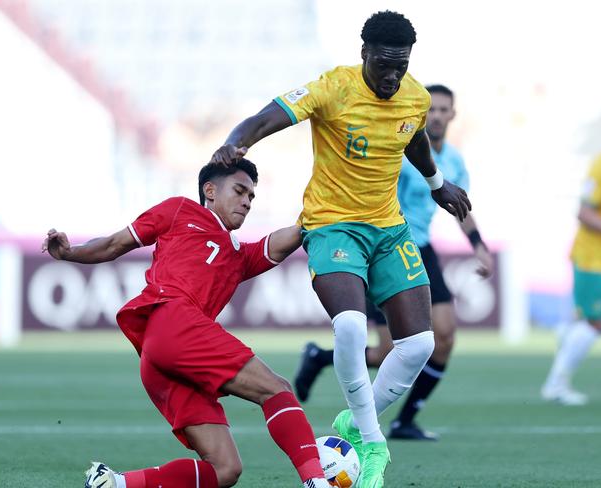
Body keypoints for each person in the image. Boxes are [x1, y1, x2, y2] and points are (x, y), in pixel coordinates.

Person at [210, 11, 472, 487]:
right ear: (364, 54)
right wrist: (234, 143)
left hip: (390, 228)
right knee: (351, 326)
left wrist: (436, 184)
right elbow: (267, 117)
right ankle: (372, 444)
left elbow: (412, 138)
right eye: (384, 66)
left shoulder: (413, 95)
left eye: (402, 66)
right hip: (332, 226)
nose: (393, 76)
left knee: (420, 345)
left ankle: (355, 420)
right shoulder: (334, 88)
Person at [42, 159, 330, 488]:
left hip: (161, 355)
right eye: (239, 191)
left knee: (224, 470)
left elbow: (285, 239)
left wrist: (322, 210)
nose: (247, 201)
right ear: (210, 190)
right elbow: (114, 244)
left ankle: (114, 483)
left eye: (252, 196)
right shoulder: (180, 210)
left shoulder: (237, 256)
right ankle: (316, 481)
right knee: (276, 389)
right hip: (172, 322)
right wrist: (69, 253)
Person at [294, 84, 494, 441]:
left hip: (421, 248)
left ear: (452, 115)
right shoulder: (399, 149)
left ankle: (405, 420)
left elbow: (458, 206)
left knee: (443, 337)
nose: (436, 115)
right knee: (390, 350)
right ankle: (323, 361)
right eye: (431, 109)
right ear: (422, 114)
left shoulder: (453, 160)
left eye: (443, 110)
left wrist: (478, 245)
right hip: (382, 245)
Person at [541, 119, 601, 406]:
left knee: (593, 324)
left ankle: (568, 332)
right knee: (595, 323)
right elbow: (584, 213)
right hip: (594, 259)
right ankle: (555, 385)